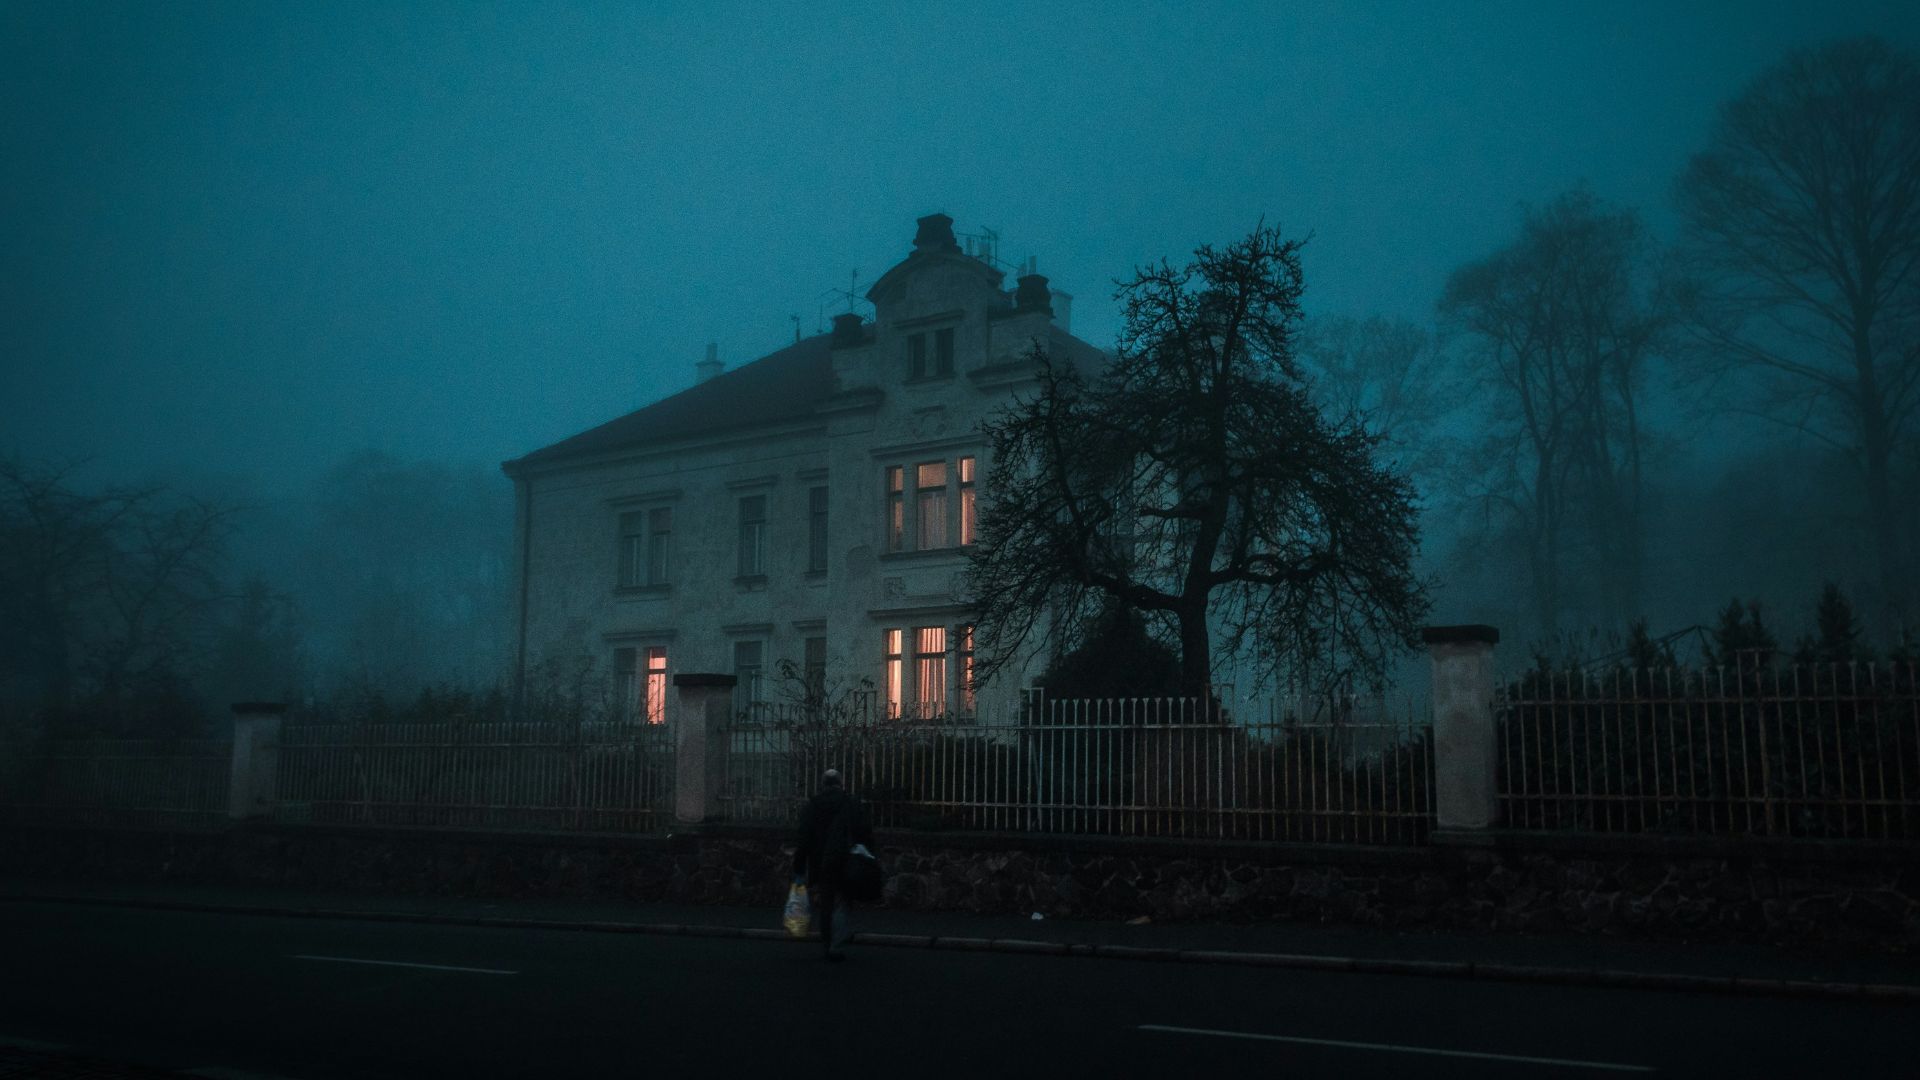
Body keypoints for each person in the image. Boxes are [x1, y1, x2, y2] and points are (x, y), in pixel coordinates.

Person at [791, 768, 872, 962]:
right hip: (847, 859)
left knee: (826, 902)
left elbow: (804, 838)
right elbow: (865, 832)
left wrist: (799, 866)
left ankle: (827, 944)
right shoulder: (851, 803)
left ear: (823, 784)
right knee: (844, 901)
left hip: (821, 861)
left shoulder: (813, 805)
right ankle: (838, 944)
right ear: (840, 783)